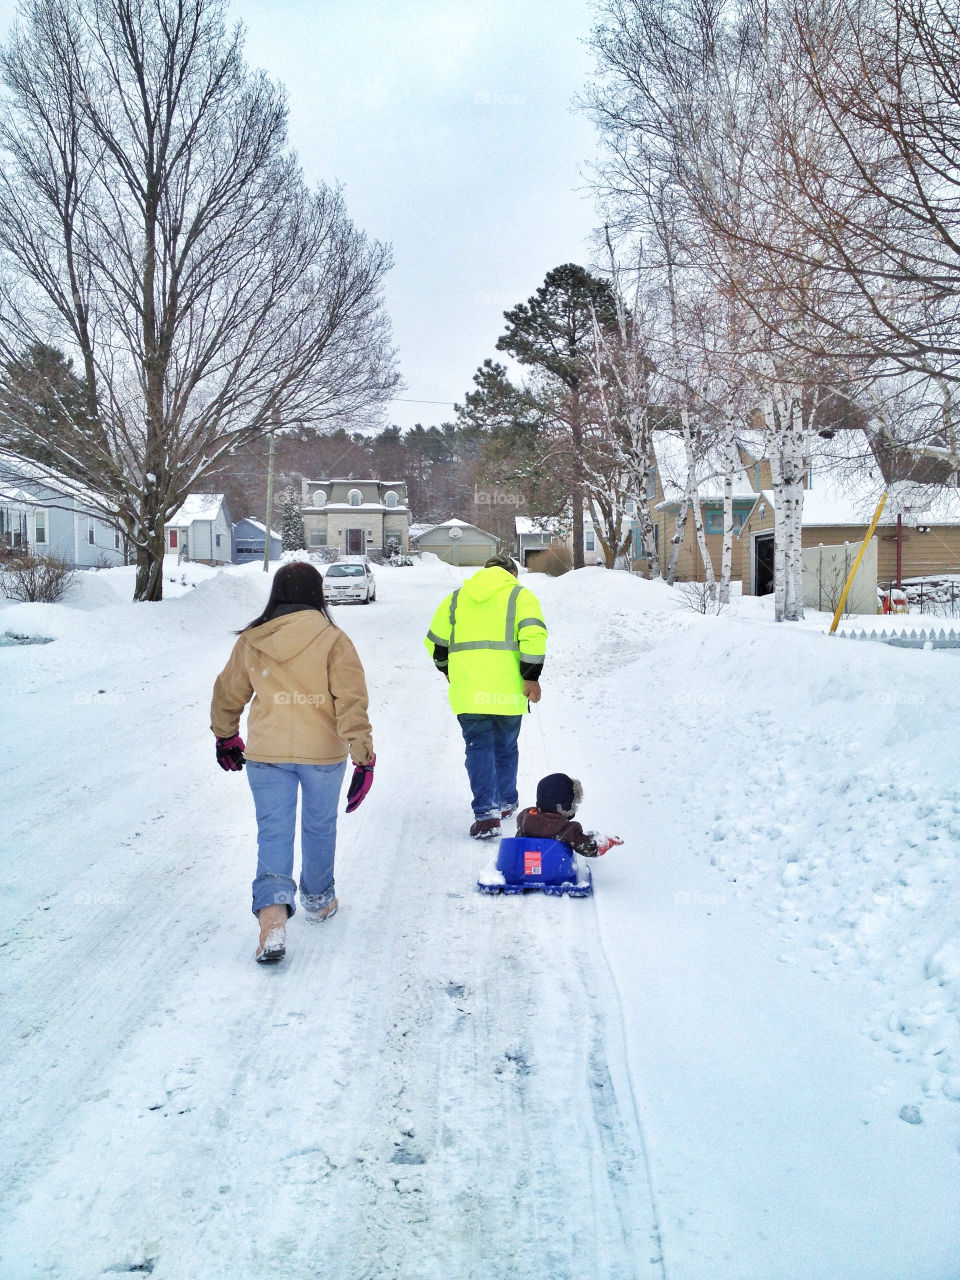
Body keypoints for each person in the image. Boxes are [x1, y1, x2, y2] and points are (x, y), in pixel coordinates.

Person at [211, 561, 375, 964]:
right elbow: (351, 703)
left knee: (273, 834)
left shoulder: (253, 640)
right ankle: (318, 900)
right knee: (319, 827)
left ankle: (271, 919)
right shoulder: (334, 640)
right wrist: (363, 759)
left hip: (267, 755)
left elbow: (228, 692)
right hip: (322, 754)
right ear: (317, 594)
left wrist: (226, 735)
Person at [425, 554, 547, 840]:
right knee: (505, 746)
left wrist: (447, 671)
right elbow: (534, 637)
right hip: (507, 691)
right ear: (512, 574)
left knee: (478, 747)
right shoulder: (521, 596)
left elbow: (436, 642)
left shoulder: (456, 599)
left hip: (469, 691)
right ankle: (505, 802)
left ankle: (486, 815)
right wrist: (531, 677)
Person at [516, 772, 623, 857]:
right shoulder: (567, 830)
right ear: (566, 806)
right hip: (555, 874)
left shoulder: (525, 821)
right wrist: (606, 842)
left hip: (522, 870)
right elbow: (589, 848)